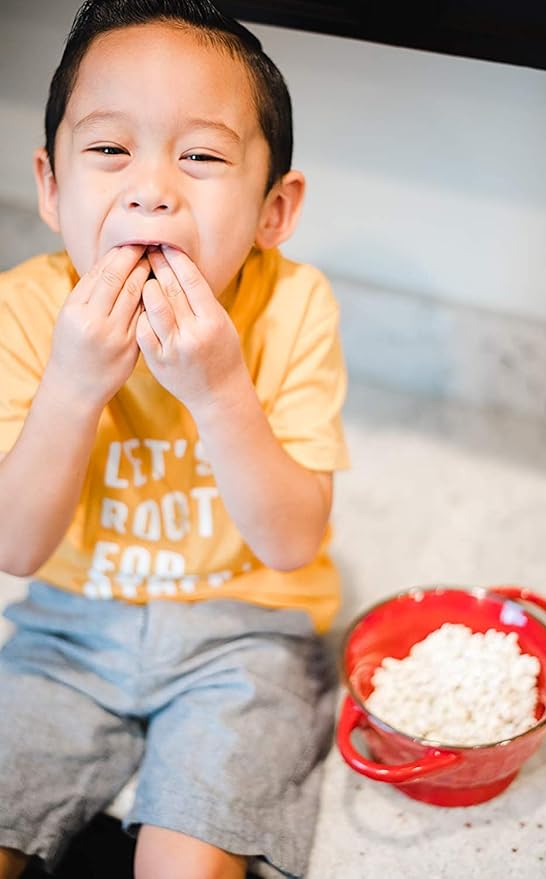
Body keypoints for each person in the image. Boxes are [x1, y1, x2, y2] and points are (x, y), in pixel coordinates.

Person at [0, 1, 350, 877]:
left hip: (246, 635)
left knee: (188, 856)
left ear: (275, 208)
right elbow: (14, 546)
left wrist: (221, 390)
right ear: (50, 186)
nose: (151, 189)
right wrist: (75, 384)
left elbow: (292, 537)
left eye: (199, 156)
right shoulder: (25, 308)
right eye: (110, 149)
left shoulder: (293, 303)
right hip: (69, 628)